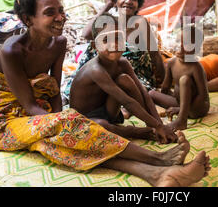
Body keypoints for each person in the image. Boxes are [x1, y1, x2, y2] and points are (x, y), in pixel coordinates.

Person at [0, 0, 210, 187]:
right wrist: (63, 121)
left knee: (72, 141)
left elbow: (53, 88)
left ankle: (155, 175)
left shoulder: (59, 43)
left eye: (61, 10)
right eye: (50, 13)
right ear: (28, 19)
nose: (60, 17)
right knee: (72, 129)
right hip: (7, 121)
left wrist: (63, 118)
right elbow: (30, 106)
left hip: (43, 114)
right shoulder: (12, 51)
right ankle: (158, 159)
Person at [69, 13, 177, 143]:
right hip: (85, 119)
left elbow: (143, 93)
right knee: (101, 127)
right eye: (105, 40)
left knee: (124, 79)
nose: (114, 44)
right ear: (94, 46)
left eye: (117, 38)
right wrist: (158, 126)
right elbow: (126, 101)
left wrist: (159, 124)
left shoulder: (123, 63)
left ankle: (151, 127)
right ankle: (136, 132)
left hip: (107, 111)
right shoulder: (96, 70)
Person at [77, 0, 165, 91]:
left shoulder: (140, 23)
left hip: (133, 75)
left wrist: (162, 83)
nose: (128, 1)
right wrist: (108, 5)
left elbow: (154, 54)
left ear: (138, 5)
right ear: (116, 1)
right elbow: (86, 34)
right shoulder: (110, 22)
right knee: (93, 46)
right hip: (108, 70)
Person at [149, 23, 210, 131]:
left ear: (196, 48)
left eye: (187, 44)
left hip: (196, 108)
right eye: (179, 42)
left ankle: (182, 120)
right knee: (151, 93)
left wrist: (180, 110)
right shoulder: (172, 62)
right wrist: (166, 97)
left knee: (184, 80)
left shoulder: (196, 67)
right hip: (180, 102)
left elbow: (203, 97)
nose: (181, 46)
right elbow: (165, 89)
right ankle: (154, 121)